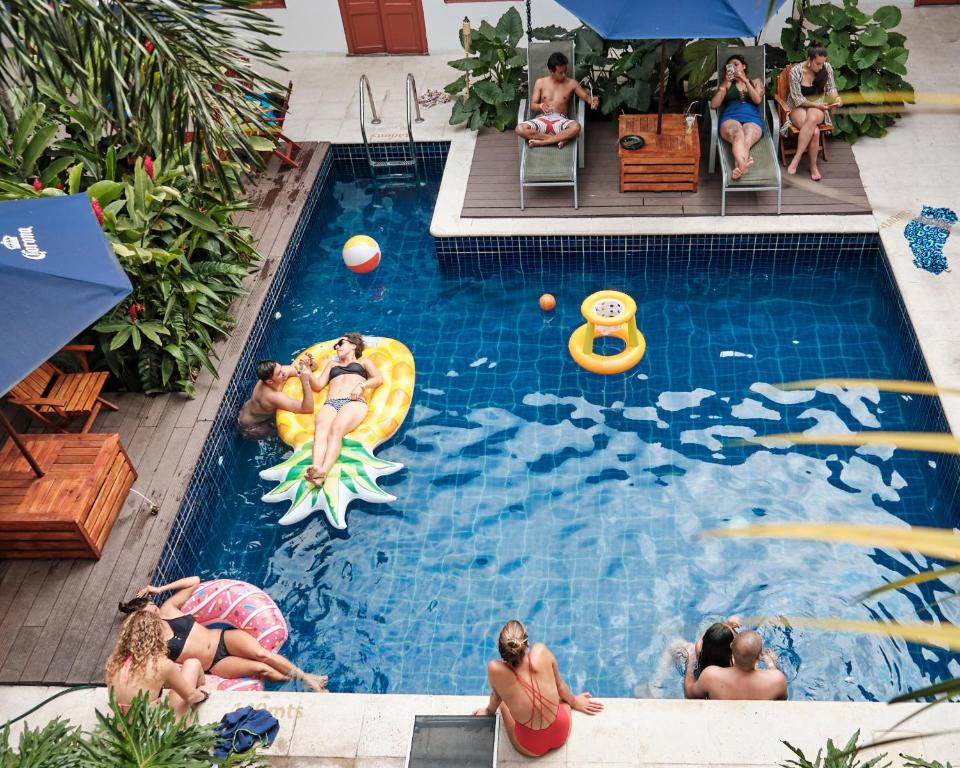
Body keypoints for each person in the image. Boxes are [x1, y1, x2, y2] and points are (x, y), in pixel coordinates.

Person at [119, 576, 329, 692]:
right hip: (214, 665)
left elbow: (194, 581)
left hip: (224, 639)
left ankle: (308, 678)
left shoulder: (168, 609)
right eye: (149, 612)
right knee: (261, 669)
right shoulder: (153, 645)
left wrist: (158, 589)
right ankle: (299, 682)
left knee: (263, 655)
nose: (154, 612)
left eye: (152, 607)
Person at [471, 620, 603, 758]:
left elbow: (496, 698)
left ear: (501, 649)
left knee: (504, 704)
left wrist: (488, 711)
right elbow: (560, 685)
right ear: (526, 643)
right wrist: (575, 702)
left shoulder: (495, 669)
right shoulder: (541, 651)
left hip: (530, 746)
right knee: (559, 699)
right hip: (561, 732)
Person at [303, 333, 382, 485]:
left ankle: (323, 472)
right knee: (320, 431)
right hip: (331, 402)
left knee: (336, 429)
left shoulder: (364, 362)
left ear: (353, 345)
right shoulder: (332, 365)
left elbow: (378, 378)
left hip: (353, 401)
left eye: (340, 343)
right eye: (335, 346)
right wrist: (307, 369)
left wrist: (361, 385)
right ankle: (316, 469)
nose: (337, 347)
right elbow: (318, 386)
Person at [106, 609, 209, 718]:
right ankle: (203, 686)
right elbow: (190, 696)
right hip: (157, 731)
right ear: (156, 635)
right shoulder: (161, 664)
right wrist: (204, 695)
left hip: (124, 731)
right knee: (192, 663)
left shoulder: (113, 662)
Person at [515, 51, 599, 150]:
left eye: (565, 71)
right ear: (551, 71)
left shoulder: (572, 83)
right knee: (519, 129)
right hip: (542, 119)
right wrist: (541, 106)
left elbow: (588, 99)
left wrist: (594, 102)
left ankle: (542, 142)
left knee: (576, 127)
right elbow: (533, 106)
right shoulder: (540, 82)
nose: (564, 75)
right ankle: (557, 139)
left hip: (561, 121)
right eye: (560, 73)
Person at [784, 44, 842, 181]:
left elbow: (831, 88)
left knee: (812, 120)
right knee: (814, 131)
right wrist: (816, 105)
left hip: (818, 106)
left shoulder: (826, 67)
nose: (821, 66)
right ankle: (813, 166)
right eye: (818, 63)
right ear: (809, 60)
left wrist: (837, 99)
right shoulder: (796, 72)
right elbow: (797, 99)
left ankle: (796, 160)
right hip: (799, 106)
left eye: (823, 63)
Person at [683, 630, 787, 700]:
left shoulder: (710, 676)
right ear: (759, 657)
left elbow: (690, 694)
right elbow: (782, 700)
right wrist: (771, 663)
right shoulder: (777, 680)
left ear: (731, 647)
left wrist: (690, 664)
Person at [709, 54, 765, 180]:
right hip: (730, 118)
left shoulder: (755, 82)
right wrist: (725, 82)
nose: (733, 68)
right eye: (730, 66)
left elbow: (757, 100)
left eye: (736, 64)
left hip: (752, 119)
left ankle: (739, 168)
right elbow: (714, 104)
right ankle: (742, 166)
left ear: (744, 66)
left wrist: (745, 81)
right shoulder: (727, 84)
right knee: (737, 134)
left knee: (747, 139)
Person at [237, 357, 316, 440]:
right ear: (270, 382)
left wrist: (309, 364)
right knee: (275, 436)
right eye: (279, 373)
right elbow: (308, 409)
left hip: (251, 409)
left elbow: (307, 370)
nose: (284, 373)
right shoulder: (272, 396)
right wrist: (305, 383)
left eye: (281, 368)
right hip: (252, 426)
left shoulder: (279, 373)